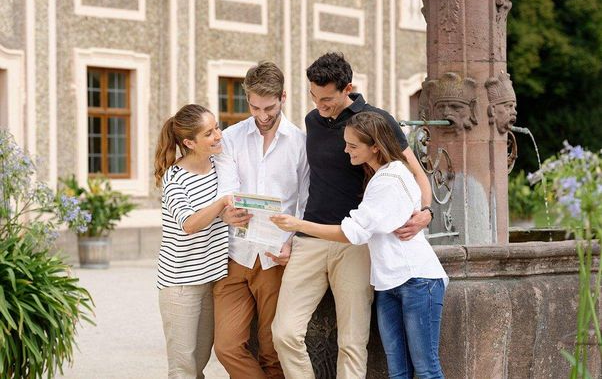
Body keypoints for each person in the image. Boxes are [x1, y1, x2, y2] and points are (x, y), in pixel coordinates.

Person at [270, 52, 433, 379]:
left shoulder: (376, 121)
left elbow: (415, 171)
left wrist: (426, 211)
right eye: (313, 96)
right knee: (284, 332)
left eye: (327, 98)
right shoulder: (312, 121)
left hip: (357, 244)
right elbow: (306, 180)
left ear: (349, 88)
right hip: (310, 240)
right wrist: (291, 235)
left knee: (353, 343)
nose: (319, 105)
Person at [212, 61, 310, 379]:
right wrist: (227, 209)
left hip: (276, 258)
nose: (262, 116)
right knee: (226, 347)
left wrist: (292, 243)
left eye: (269, 107)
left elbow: (306, 202)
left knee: (272, 352)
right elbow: (226, 187)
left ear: (283, 97)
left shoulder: (300, 142)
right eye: (255, 107)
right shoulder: (231, 138)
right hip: (235, 254)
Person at [153, 104, 231, 379]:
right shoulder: (174, 179)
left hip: (211, 279)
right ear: (189, 142)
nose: (218, 135)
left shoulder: (219, 167)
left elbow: (224, 219)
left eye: (217, 127)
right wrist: (222, 203)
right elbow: (190, 224)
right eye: (209, 133)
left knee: (199, 361)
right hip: (180, 283)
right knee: (183, 367)